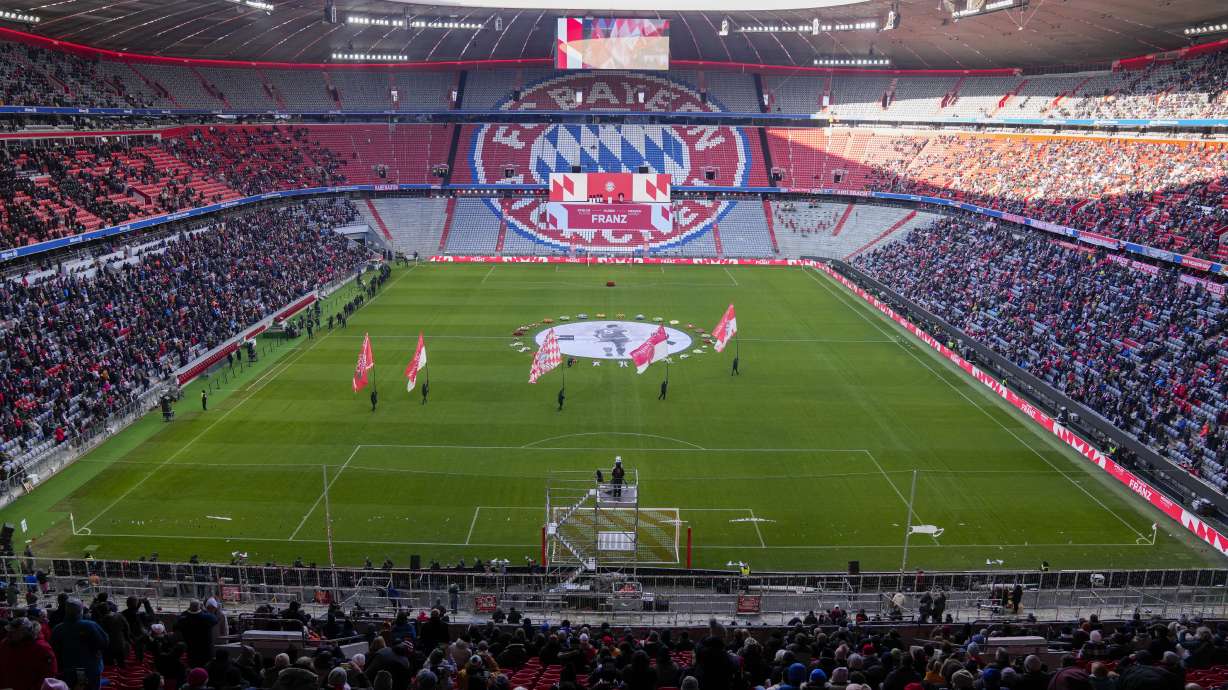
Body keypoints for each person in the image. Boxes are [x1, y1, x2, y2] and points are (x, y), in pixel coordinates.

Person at [50, 598, 108, 690]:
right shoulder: (91, 625)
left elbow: (54, 650)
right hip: (91, 668)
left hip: (68, 669)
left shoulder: (57, 629)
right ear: (80, 611)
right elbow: (104, 643)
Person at [0, 616, 57, 690]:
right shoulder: (5, 644)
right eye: (9, 631)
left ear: (24, 632)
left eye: (14, 631)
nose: (9, 634)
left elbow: (49, 675)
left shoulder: (42, 648)